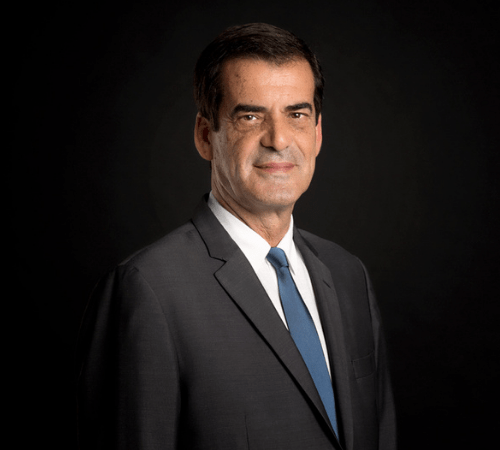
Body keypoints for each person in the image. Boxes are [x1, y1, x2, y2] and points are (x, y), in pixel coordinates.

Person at [76, 23, 397, 450]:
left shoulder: (347, 275)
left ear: (318, 134)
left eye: (296, 115)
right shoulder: (146, 289)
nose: (278, 139)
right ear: (205, 136)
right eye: (250, 116)